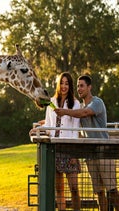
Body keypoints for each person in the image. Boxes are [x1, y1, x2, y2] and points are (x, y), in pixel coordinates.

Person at [54, 75, 119, 211]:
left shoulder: (97, 102)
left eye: (82, 86)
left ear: (89, 87)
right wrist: (41, 124)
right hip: (90, 155)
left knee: (112, 189)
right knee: (99, 191)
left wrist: (64, 112)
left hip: (104, 152)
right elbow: (67, 121)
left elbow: (85, 113)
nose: (79, 89)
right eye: (78, 86)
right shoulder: (79, 107)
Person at [32, 72, 81, 211]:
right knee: (59, 190)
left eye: (67, 83)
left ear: (70, 86)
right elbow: (48, 124)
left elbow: (75, 129)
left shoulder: (75, 104)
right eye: (62, 83)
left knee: (74, 188)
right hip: (55, 149)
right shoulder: (51, 102)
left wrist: (74, 154)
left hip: (69, 150)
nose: (64, 86)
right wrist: (37, 129)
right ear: (58, 84)